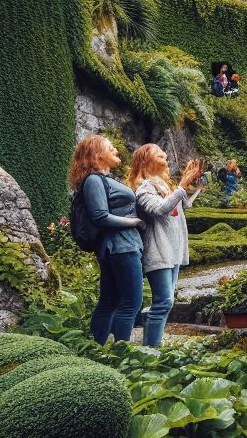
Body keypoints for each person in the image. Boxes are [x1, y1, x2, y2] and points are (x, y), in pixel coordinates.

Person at [68, 134, 145, 345]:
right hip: (121, 246)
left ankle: (97, 350)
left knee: (109, 301)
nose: (116, 151)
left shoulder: (105, 179)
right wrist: (135, 222)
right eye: (111, 148)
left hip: (120, 246)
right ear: (97, 155)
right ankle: (121, 352)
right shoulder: (93, 180)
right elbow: (100, 216)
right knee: (131, 302)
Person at [128, 146, 204, 347]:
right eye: (158, 153)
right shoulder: (144, 188)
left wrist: (188, 185)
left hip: (172, 251)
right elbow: (160, 209)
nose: (165, 154)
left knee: (165, 303)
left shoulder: (163, 185)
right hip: (159, 250)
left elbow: (181, 206)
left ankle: (152, 344)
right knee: (163, 302)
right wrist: (182, 185)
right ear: (146, 161)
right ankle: (151, 349)